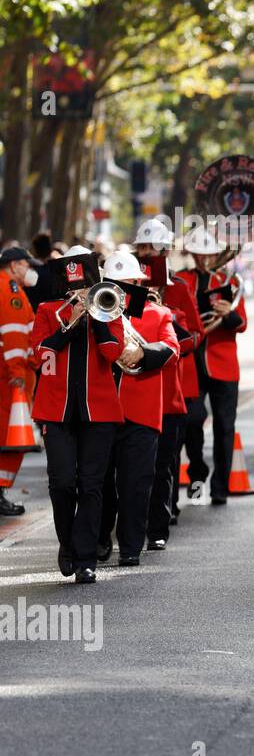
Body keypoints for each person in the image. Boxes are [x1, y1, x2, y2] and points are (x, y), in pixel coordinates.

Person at [31, 248, 132, 583]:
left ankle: (86, 557)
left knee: (92, 485)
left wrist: (97, 319)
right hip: (56, 412)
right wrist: (71, 323)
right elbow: (39, 356)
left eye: (84, 287)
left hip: (98, 412)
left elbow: (112, 353)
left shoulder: (109, 309)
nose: (79, 293)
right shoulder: (48, 311)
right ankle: (67, 544)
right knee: (62, 483)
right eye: (74, 287)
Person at [95, 251, 179, 566]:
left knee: (136, 483)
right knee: (99, 482)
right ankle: (101, 539)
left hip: (141, 411)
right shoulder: (98, 311)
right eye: (113, 283)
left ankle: (130, 547)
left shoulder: (157, 314)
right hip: (101, 411)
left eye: (126, 283)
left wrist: (143, 353)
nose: (120, 289)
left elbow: (172, 348)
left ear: (138, 283)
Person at [132, 219, 202, 550]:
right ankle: (133, 521)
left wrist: (171, 337)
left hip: (169, 385)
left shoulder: (180, 289)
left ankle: (160, 523)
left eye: (152, 248)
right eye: (142, 248)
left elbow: (197, 335)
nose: (146, 254)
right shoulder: (125, 285)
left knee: (165, 463)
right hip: (133, 388)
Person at [176, 227, 247, 505]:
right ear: (193, 254)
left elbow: (241, 324)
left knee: (225, 428)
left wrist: (227, 315)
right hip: (192, 365)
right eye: (200, 253)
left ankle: (220, 487)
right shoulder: (181, 280)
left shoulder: (227, 281)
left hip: (223, 364)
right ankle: (197, 472)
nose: (205, 259)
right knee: (192, 421)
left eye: (209, 254)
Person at [0, 244, 38, 516]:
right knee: (10, 439)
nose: (29, 270)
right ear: (14, 266)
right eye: (26, 265)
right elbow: (13, 335)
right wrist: (17, 376)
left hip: (9, 376)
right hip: (11, 380)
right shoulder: (11, 292)